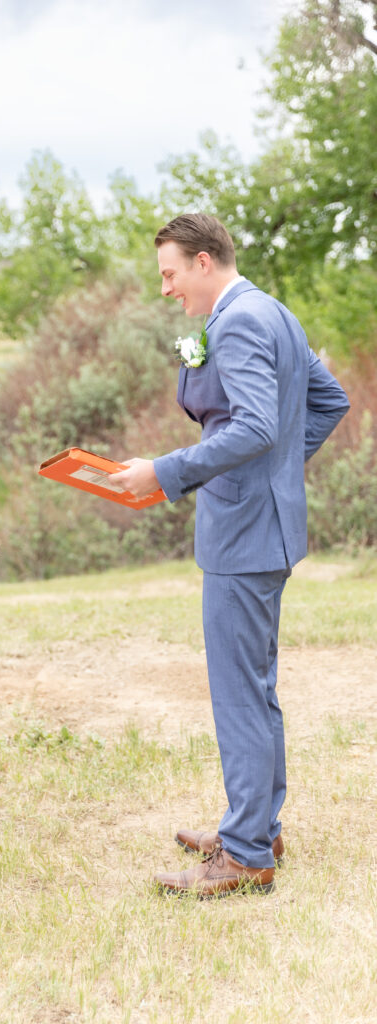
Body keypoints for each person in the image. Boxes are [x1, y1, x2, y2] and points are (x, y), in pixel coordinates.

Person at [109, 214, 349, 898]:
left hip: (244, 534)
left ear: (205, 261)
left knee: (239, 694)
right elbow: (327, 402)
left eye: (169, 273)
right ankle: (256, 828)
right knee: (255, 687)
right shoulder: (273, 312)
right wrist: (273, 471)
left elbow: (253, 424)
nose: (164, 289)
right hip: (263, 525)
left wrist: (168, 469)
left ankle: (244, 855)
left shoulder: (240, 322)